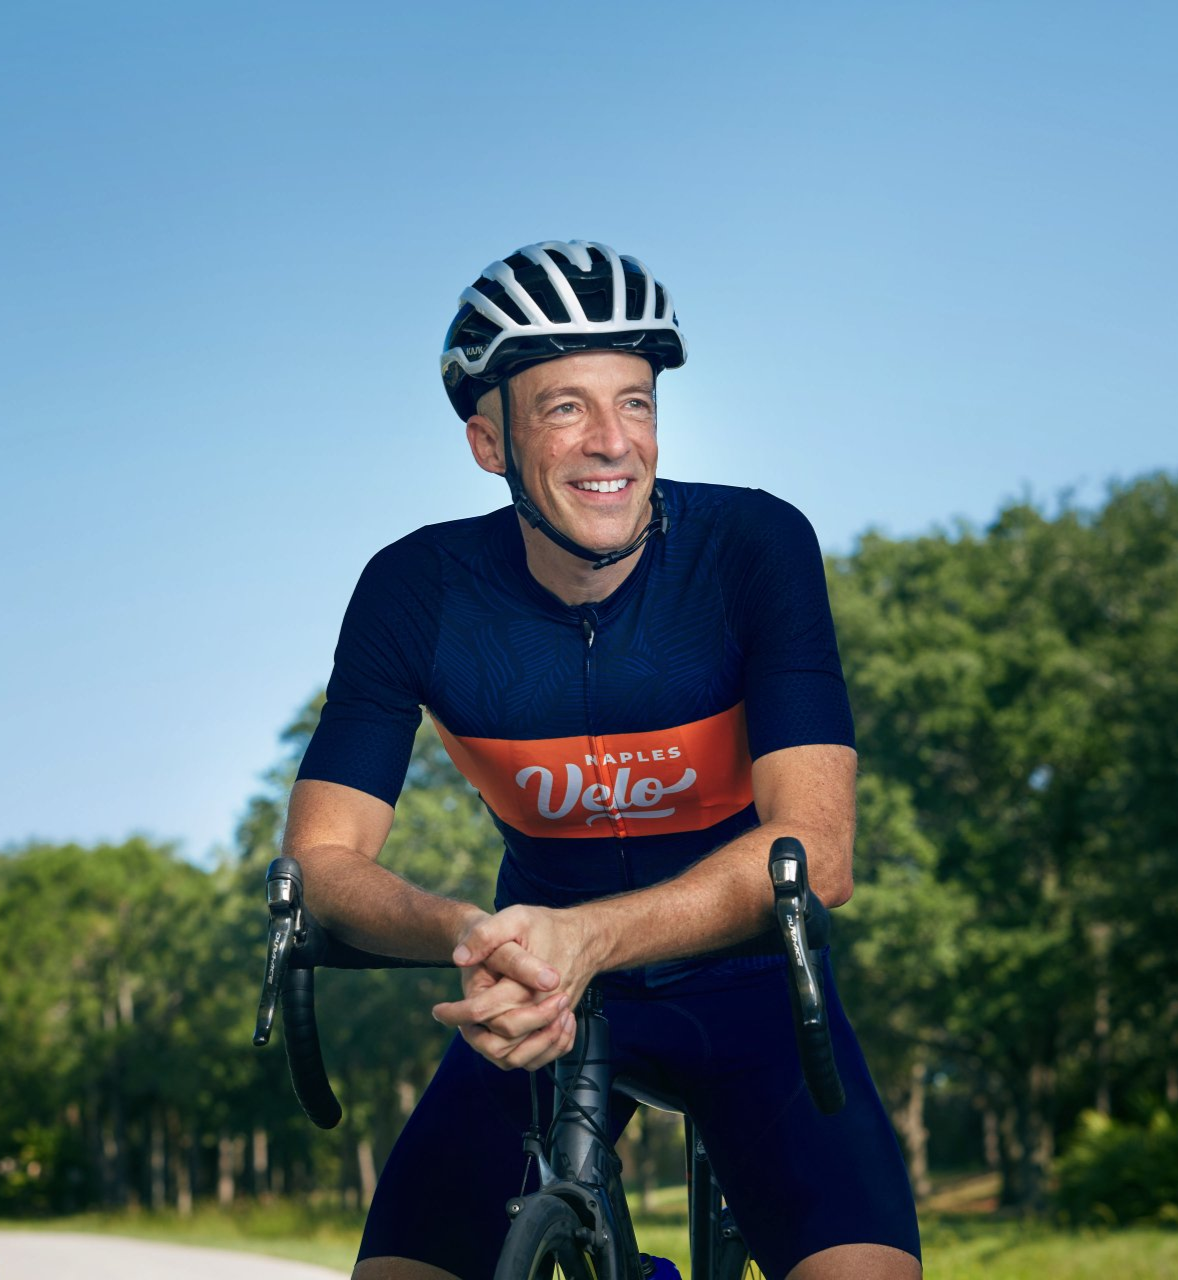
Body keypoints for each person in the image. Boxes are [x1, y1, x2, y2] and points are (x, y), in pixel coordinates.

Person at [285, 240, 922, 1280]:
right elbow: (319, 859)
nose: (612, 441)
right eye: (565, 407)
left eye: (635, 401)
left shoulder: (750, 547)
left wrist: (588, 935)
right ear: (488, 440)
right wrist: (476, 937)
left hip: (751, 989)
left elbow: (817, 847)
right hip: (538, 999)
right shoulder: (417, 589)